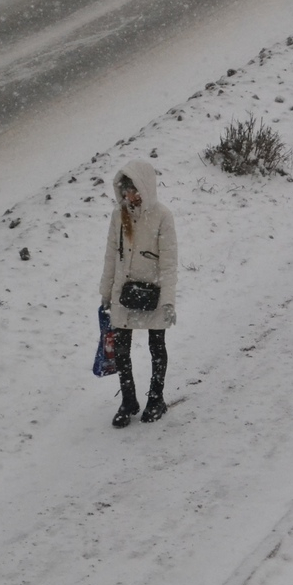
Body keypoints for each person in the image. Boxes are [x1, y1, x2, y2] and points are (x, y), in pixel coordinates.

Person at [99, 159, 178, 427]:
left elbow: (168, 264)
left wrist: (168, 301)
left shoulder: (163, 217)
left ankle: (156, 399)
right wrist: (105, 292)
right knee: (121, 350)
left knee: (157, 346)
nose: (127, 195)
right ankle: (128, 400)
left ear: (144, 188)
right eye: (124, 189)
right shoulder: (117, 216)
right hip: (124, 292)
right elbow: (111, 255)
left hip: (153, 293)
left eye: (131, 189)